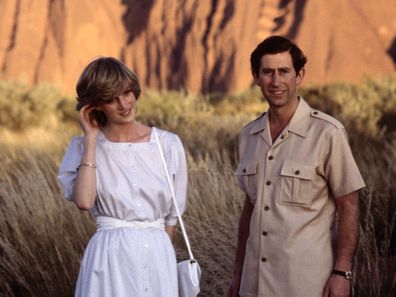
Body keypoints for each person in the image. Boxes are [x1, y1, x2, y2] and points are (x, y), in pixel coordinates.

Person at [227, 36, 365, 297]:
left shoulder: (327, 133)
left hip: (306, 284)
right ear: (256, 76)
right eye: (267, 72)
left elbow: (349, 203)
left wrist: (342, 272)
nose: (276, 81)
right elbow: (250, 208)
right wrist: (238, 273)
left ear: (299, 75)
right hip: (254, 284)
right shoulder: (249, 136)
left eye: (284, 72)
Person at [58, 57, 187, 297]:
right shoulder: (82, 147)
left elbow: (172, 216)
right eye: (110, 99)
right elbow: (84, 202)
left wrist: (163, 259)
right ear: (95, 105)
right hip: (109, 256)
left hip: (158, 254)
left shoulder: (167, 144)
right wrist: (91, 138)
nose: (123, 104)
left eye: (127, 92)